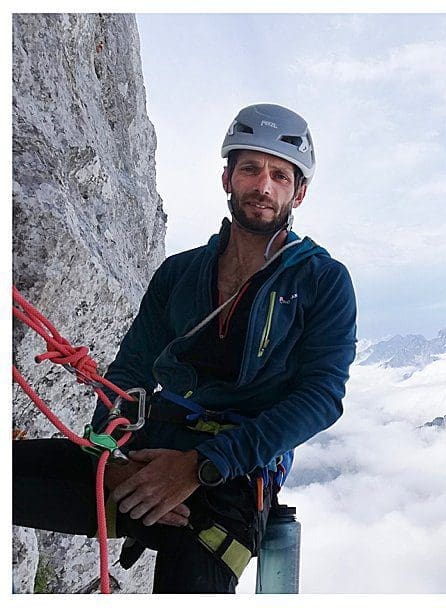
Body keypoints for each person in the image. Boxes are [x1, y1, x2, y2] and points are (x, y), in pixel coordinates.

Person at [13, 103, 357, 593]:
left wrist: (202, 466)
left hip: (234, 478)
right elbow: (130, 368)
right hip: (146, 451)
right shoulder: (179, 273)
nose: (263, 186)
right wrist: (108, 456)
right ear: (227, 179)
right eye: (250, 169)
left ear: (298, 192)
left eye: (280, 175)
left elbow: (322, 397)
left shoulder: (323, 281)